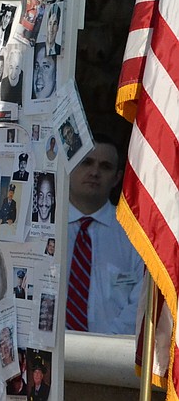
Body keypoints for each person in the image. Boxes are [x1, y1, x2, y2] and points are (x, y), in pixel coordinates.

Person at [66, 134, 144, 334]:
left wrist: (106, 345)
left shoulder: (135, 234)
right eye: (87, 162)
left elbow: (142, 301)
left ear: (117, 178)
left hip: (115, 350)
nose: (94, 172)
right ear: (69, 167)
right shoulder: (43, 227)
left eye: (105, 166)